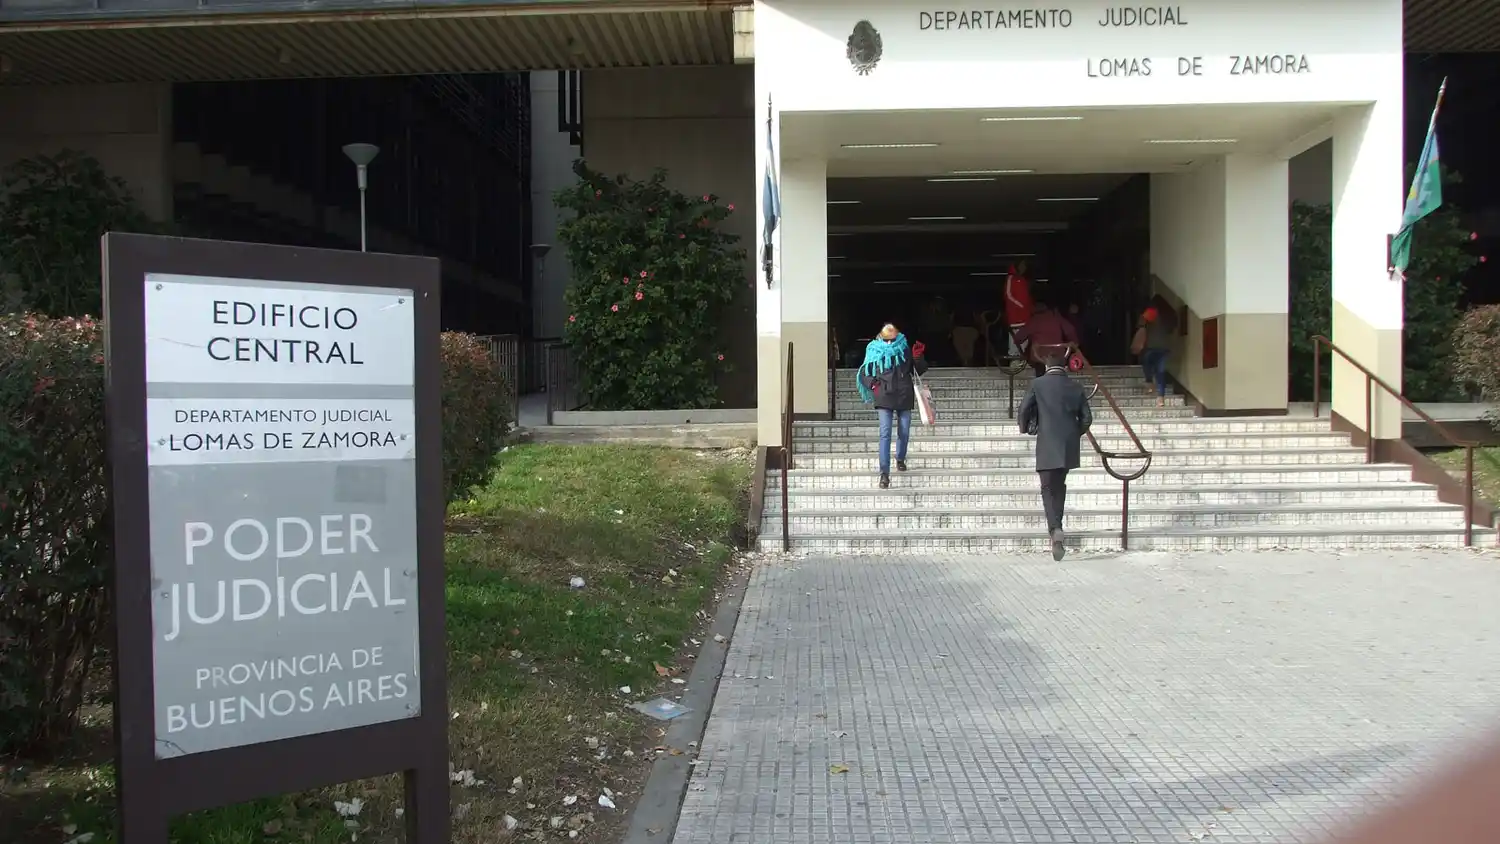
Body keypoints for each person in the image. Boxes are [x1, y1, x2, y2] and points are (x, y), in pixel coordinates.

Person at [1018, 351, 1093, 561]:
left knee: (1046, 488)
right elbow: (1087, 418)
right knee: (1060, 487)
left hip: (1047, 444)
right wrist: (1073, 433)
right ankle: (1057, 529)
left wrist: (1025, 428)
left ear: (1046, 365)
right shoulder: (1076, 387)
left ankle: (1055, 529)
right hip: (1068, 446)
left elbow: (1024, 409)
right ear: (1065, 366)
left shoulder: (1038, 384)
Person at [856, 323, 929, 489]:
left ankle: (900, 458)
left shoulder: (904, 349)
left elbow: (919, 369)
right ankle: (884, 474)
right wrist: (874, 385)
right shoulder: (874, 350)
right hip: (883, 396)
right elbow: (864, 372)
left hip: (904, 394)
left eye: (893, 340)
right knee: (885, 433)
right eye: (887, 340)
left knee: (904, 430)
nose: (890, 343)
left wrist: (918, 357)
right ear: (881, 337)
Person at [1014, 297, 1079, 377]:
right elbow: (1071, 330)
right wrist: (1074, 344)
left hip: (1040, 358)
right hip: (1058, 357)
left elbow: (1019, 338)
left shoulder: (1035, 320)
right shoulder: (1056, 318)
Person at [1132, 294, 1178, 407]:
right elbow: (1172, 329)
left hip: (1152, 347)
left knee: (1146, 363)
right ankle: (1161, 398)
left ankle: (1149, 383)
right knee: (1160, 372)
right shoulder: (1169, 314)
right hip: (1165, 348)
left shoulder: (1152, 312)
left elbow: (1140, 323)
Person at [1002, 261, 1034, 364]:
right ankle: (1014, 361)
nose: (1023, 268)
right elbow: (1008, 295)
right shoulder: (1011, 278)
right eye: (1021, 265)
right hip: (1015, 316)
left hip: (1026, 316)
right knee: (1014, 337)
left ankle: (1022, 361)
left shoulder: (1023, 280)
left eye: (1025, 266)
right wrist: (1021, 306)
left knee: (1025, 337)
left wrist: (1029, 308)